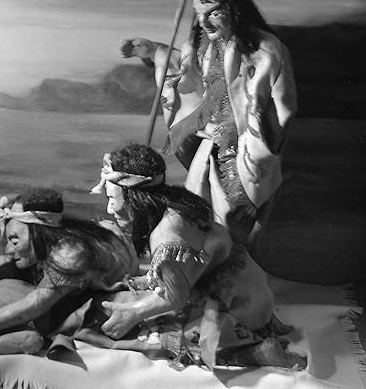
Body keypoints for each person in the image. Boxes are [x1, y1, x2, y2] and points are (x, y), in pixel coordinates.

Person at [120, 0, 297, 249]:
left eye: (212, 11)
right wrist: (154, 51)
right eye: (198, 10)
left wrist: (247, 130)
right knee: (203, 228)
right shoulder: (203, 44)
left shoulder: (264, 49)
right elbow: (187, 77)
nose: (203, 20)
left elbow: (281, 110)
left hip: (245, 157)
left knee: (235, 232)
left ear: (234, 6)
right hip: (209, 152)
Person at [79, 143, 305, 369]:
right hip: (249, 283)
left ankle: (255, 352)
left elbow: (174, 298)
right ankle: (261, 323)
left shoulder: (166, 240)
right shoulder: (178, 202)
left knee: (168, 340)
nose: (109, 209)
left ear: (135, 198)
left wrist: (133, 313)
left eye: (112, 199)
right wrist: (151, 278)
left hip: (234, 302)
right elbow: (194, 261)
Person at [0, 187, 138, 366]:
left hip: (103, 299)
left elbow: (35, 304)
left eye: (14, 240)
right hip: (83, 283)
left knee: (15, 303)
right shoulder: (60, 236)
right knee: (5, 279)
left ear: (38, 231)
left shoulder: (70, 252)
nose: (9, 249)